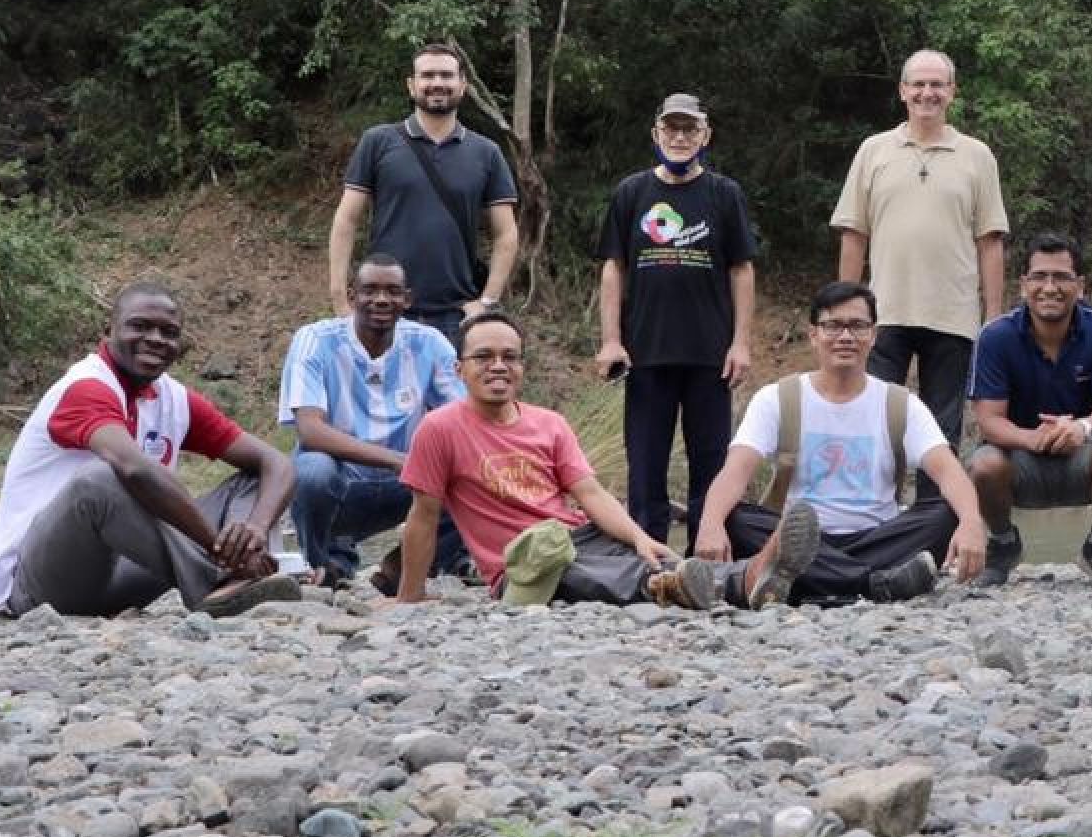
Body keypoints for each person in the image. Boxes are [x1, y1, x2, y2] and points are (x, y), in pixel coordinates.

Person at [389, 311, 756, 609]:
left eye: (510, 357)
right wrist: (410, 595)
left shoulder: (549, 423)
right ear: (459, 370)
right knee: (587, 576)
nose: (498, 366)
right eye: (483, 357)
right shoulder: (439, 429)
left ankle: (749, 579)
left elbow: (591, 494)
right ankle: (676, 585)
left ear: (522, 367)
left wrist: (640, 538)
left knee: (652, 557)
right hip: (523, 563)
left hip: (578, 536)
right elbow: (424, 515)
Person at [0, 283, 300, 618]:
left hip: (121, 576)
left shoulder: (174, 400)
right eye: (140, 326)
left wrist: (256, 528)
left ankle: (242, 574)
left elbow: (276, 463)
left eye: (169, 332)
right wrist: (216, 547)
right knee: (100, 479)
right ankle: (219, 578)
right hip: (41, 585)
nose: (156, 339)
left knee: (255, 478)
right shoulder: (86, 387)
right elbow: (134, 468)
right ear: (108, 331)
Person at [695, 282, 990, 605]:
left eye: (858, 326)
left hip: (879, 538)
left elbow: (948, 471)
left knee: (946, 514)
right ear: (813, 335)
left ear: (873, 336)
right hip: (798, 539)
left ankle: (812, 580)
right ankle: (875, 583)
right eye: (833, 326)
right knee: (734, 518)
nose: (846, 337)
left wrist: (972, 522)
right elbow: (736, 471)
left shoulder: (900, 404)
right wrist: (711, 524)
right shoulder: (777, 398)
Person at [830, 49, 1009, 503]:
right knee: (876, 423)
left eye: (937, 85)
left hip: (953, 316)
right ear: (903, 91)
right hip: (882, 313)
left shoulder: (977, 156)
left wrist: (993, 318)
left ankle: (934, 524)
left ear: (952, 92)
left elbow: (990, 241)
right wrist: (845, 309)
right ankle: (872, 520)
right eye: (919, 84)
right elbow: (854, 234)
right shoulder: (873, 150)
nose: (927, 93)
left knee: (940, 432)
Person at [594, 93, 758, 546]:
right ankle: (648, 553)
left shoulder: (724, 194)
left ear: (705, 136)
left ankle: (708, 550)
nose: (680, 137)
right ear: (656, 133)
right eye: (672, 128)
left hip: (710, 354)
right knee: (645, 463)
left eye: (690, 129)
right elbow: (614, 267)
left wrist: (741, 343)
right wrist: (611, 340)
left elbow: (741, 269)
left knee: (711, 461)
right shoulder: (632, 192)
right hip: (646, 351)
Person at [278, 252, 472, 591]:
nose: (381, 299)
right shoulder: (315, 340)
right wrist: (398, 460)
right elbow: (310, 431)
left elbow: (463, 420)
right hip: (344, 479)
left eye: (392, 291)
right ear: (352, 297)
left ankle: (408, 564)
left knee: (473, 462)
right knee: (312, 470)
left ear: (407, 299)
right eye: (370, 290)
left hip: (409, 484)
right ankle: (323, 564)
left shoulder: (430, 343)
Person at [964, 233, 1092, 587]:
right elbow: (989, 420)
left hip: (1084, 454)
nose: (1049, 288)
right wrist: (1031, 438)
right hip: (1018, 457)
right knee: (983, 464)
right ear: (1023, 285)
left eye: (1061, 277)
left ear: (1081, 286)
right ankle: (1003, 543)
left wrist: (1080, 429)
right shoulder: (995, 336)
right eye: (1039, 277)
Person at [327, 44, 518, 331]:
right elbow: (346, 219)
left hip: (456, 315)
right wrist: (340, 298)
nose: (437, 83)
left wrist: (487, 301)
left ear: (463, 85)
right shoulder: (378, 142)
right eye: (427, 75)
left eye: (446, 75)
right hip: (383, 310)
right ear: (411, 85)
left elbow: (506, 233)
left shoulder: (486, 152)